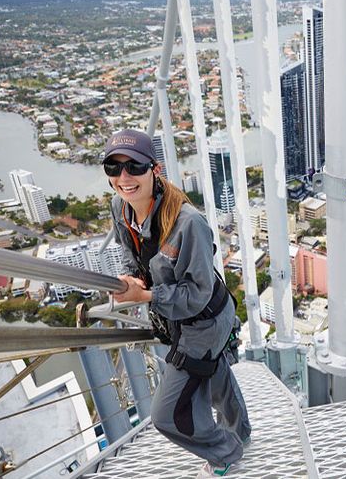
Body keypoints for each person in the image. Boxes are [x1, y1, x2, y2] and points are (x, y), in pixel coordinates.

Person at [104, 129, 250, 477]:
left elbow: (197, 293)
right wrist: (131, 281)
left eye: (134, 167)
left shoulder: (189, 224)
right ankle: (240, 431)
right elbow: (131, 258)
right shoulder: (120, 208)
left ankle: (227, 451)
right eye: (113, 166)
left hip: (205, 319)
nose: (124, 177)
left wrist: (149, 296)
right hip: (178, 320)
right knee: (214, 374)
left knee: (168, 415)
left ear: (154, 169)